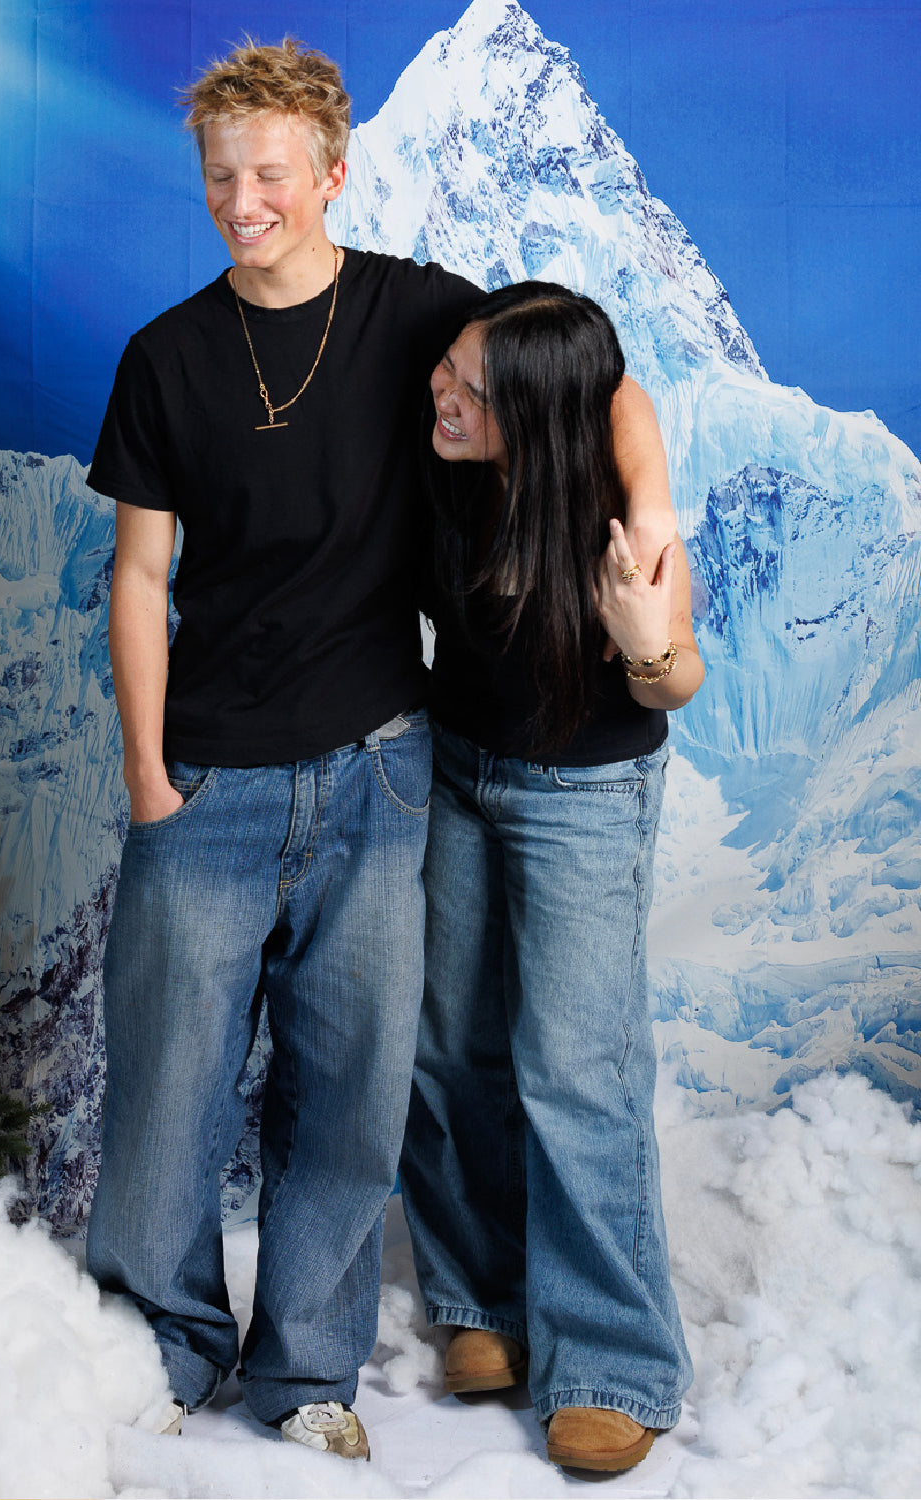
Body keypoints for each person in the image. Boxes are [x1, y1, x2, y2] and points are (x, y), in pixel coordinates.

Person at [83, 39, 677, 1462]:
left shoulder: (424, 318)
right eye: (222, 176)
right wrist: (145, 764)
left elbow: (591, 383)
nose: (244, 202)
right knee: (180, 1085)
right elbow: (135, 575)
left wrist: (648, 520)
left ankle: (312, 1374)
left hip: (383, 764)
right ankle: (161, 1349)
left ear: (332, 174)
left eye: (272, 174)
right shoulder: (166, 357)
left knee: (359, 1090)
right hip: (216, 768)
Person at [399, 281, 703, 1475]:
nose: (447, 389)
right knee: (448, 1040)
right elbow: (614, 382)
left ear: (537, 415)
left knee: (576, 1067)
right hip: (460, 768)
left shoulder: (616, 519)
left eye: (477, 388)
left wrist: (643, 638)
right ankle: (483, 1304)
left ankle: (616, 1363)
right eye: (453, 368)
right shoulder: (451, 449)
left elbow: (674, 682)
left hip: (584, 793)